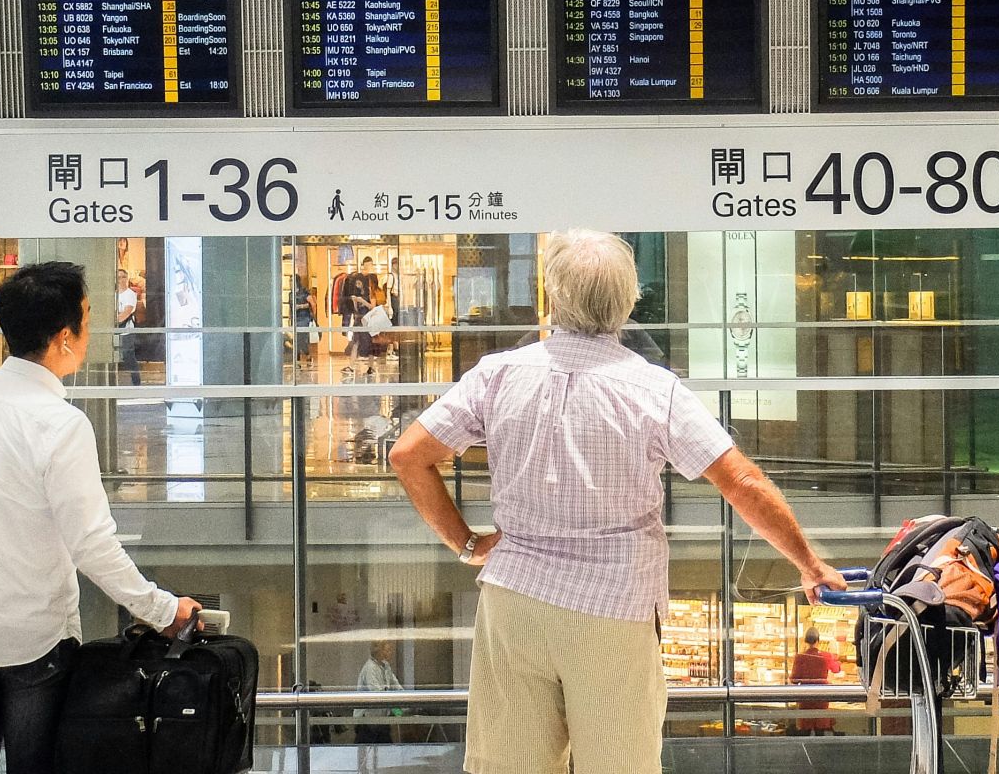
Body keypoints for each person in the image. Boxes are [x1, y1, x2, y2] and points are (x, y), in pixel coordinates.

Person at [390, 229, 846, 774]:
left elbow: (408, 455)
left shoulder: (499, 374)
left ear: (553, 298)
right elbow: (741, 484)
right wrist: (809, 563)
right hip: (614, 608)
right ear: (628, 303)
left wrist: (466, 544)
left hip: (513, 602)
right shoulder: (653, 389)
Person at [0, 261, 200, 774]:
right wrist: (160, 609)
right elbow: (91, 543)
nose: (93, 330)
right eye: (89, 319)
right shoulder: (60, 424)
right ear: (64, 337)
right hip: (34, 639)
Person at [790, 627, 842, 736]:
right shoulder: (826, 656)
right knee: (820, 728)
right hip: (821, 697)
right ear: (818, 641)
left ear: (805, 641)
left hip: (806, 697)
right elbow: (836, 669)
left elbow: (794, 679)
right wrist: (836, 658)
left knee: (806, 728)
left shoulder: (800, 657)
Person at [354, 639, 404, 745]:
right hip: (367, 721)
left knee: (386, 749)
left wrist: (406, 701)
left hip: (381, 719)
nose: (390, 652)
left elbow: (396, 686)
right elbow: (379, 695)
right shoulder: (370, 669)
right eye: (387, 650)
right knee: (366, 751)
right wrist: (397, 711)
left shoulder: (386, 666)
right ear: (379, 651)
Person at [115, 269, 141, 387]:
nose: (121, 280)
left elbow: (127, 311)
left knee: (128, 355)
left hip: (126, 330)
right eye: (118, 277)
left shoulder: (130, 294)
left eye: (123, 277)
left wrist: (115, 321)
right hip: (114, 330)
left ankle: (136, 382)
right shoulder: (113, 294)